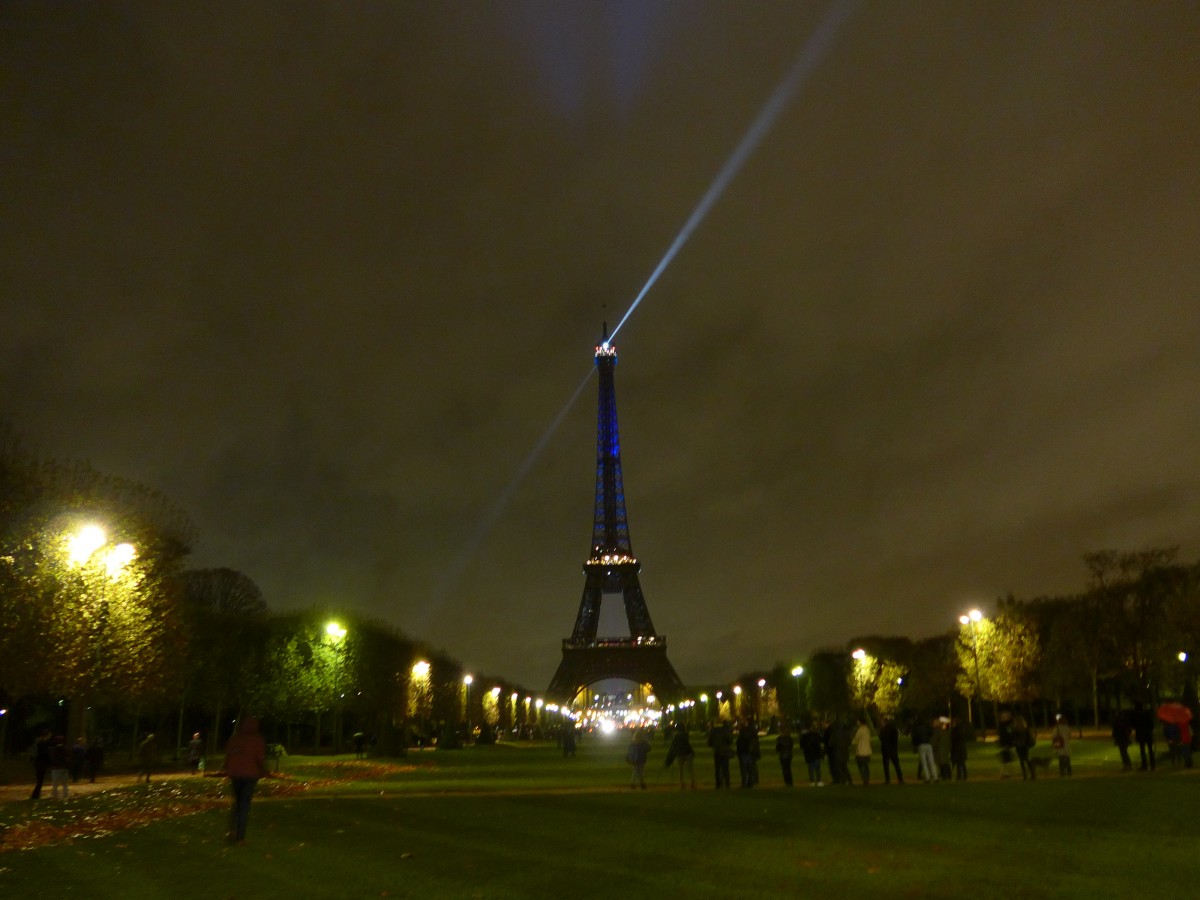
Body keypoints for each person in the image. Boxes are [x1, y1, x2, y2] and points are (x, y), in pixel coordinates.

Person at [225, 715, 269, 843]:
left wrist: (228, 767)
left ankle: (231, 831)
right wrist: (263, 770)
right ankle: (240, 837)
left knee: (237, 803)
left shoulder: (235, 738)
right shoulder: (257, 740)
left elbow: (228, 754)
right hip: (250, 774)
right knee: (244, 805)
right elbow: (259, 758)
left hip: (235, 774)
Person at [668, 723, 696, 789]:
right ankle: (692, 782)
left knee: (681, 769)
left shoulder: (677, 736)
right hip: (688, 752)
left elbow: (674, 744)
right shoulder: (686, 734)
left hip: (680, 753)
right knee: (690, 769)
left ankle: (682, 783)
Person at [707, 721, 733, 788]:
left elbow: (709, 742)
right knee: (726, 768)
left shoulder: (713, 731)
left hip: (717, 750)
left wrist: (714, 745)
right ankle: (727, 783)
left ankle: (718, 784)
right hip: (724, 750)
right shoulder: (726, 730)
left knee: (717, 768)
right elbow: (730, 740)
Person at [878, 716, 903, 785]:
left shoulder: (883, 729)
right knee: (896, 764)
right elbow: (896, 738)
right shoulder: (894, 728)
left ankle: (887, 779)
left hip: (885, 749)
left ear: (884, 722)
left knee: (886, 765)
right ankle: (900, 778)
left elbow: (880, 737)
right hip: (893, 749)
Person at [28, 727, 52, 800]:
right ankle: (35, 795)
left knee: (39, 780)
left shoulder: (38, 742)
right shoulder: (43, 743)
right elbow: (44, 754)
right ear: (47, 735)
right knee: (40, 781)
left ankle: (36, 795)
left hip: (37, 762)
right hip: (41, 763)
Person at [799, 721, 825, 786]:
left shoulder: (804, 736)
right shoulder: (816, 734)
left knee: (811, 768)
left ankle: (812, 781)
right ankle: (818, 781)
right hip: (816, 753)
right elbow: (821, 740)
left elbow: (801, 745)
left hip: (808, 754)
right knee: (817, 768)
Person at [1132, 701, 1156, 771]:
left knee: (1142, 750)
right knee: (1150, 750)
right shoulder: (1147, 714)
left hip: (1140, 734)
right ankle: (1152, 765)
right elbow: (1151, 724)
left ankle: (1144, 765)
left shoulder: (1136, 715)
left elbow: (1134, 725)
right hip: (1148, 733)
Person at [912, 717, 937, 783]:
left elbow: (914, 738)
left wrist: (915, 746)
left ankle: (927, 778)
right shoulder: (927, 728)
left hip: (921, 745)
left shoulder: (917, 729)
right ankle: (935, 777)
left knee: (924, 762)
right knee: (931, 761)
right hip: (928, 744)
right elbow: (931, 734)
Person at [736, 718, 759, 788]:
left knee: (744, 769)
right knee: (750, 768)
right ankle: (751, 782)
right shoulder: (753, 732)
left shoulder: (744, 732)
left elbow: (741, 742)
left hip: (745, 752)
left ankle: (745, 782)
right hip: (750, 752)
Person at [1013, 714, 1035, 780]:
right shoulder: (1025, 729)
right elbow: (1029, 737)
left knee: (1022, 760)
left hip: (1019, 745)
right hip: (1025, 745)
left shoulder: (1015, 730)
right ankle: (1032, 773)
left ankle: (1025, 775)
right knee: (1026, 759)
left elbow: (1013, 737)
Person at [49, 735, 70, 800]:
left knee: (55, 783)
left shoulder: (54, 749)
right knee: (65, 783)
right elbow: (68, 757)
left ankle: (55, 795)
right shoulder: (65, 749)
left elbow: (52, 758)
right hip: (64, 767)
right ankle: (65, 795)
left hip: (56, 768)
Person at [852, 717, 872, 785]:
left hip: (862, 750)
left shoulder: (861, 730)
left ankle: (864, 778)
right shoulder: (867, 729)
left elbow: (856, 738)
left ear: (860, 722)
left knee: (861, 764)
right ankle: (866, 778)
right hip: (867, 750)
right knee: (865, 765)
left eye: (858, 721)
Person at [774, 721, 794, 787]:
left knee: (785, 769)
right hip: (789, 755)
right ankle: (790, 781)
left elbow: (777, 749)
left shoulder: (780, 739)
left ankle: (787, 781)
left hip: (783, 755)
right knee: (788, 768)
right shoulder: (789, 739)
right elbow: (791, 746)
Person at [997, 711, 1016, 778]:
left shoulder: (1005, 725)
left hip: (1006, 744)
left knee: (1006, 760)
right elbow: (1006, 735)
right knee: (1006, 759)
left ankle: (1005, 773)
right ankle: (1004, 773)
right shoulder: (1004, 726)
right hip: (1005, 744)